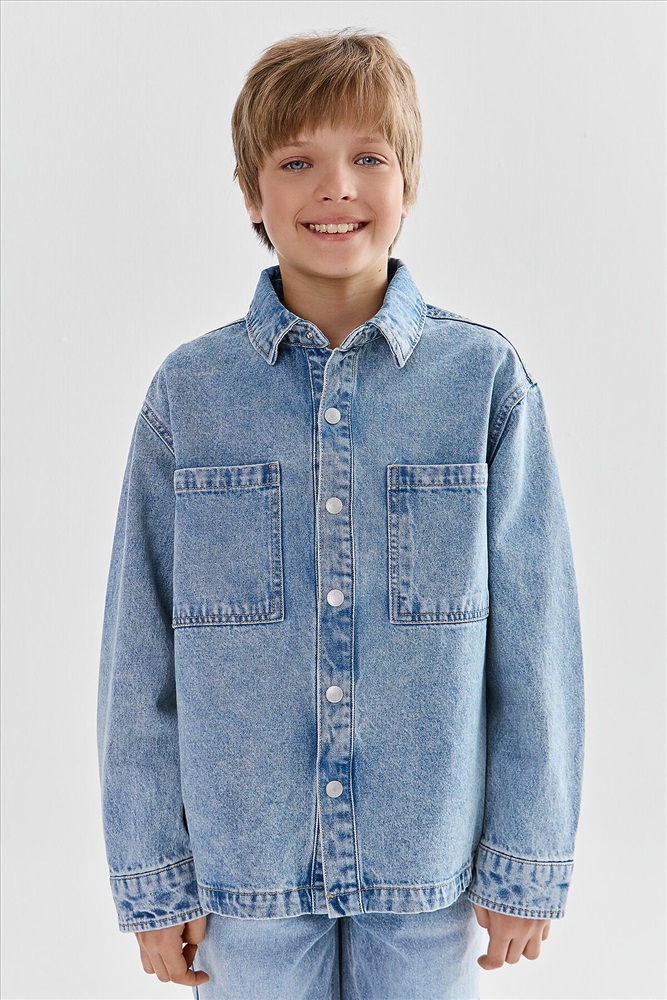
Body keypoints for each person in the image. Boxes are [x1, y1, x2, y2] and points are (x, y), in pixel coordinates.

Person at [96, 27, 585, 1000]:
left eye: (368, 157)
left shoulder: (484, 385)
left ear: (408, 183)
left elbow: (536, 649)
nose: (336, 188)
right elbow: (137, 656)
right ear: (251, 192)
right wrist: (154, 877)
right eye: (297, 162)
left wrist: (525, 861)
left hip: (427, 873)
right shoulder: (190, 396)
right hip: (245, 882)